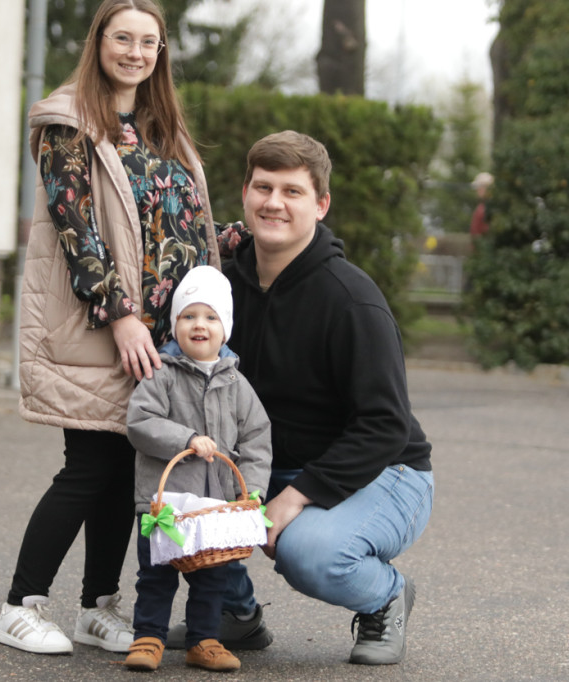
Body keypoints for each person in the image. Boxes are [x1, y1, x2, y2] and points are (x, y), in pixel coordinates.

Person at [0, 0, 222, 657]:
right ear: (98, 42)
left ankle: (98, 607)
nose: (135, 52)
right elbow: (77, 231)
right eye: (123, 38)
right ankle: (19, 605)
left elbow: (181, 228)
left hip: (160, 338)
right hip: (104, 327)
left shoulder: (160, 129)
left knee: (125, 470)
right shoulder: (69, 123)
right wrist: (121, 315)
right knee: (89, 467)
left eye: (148, 42)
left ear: (160, 53)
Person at [167, 131, 434, 666]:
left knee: (309, 552)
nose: (274, 203)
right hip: (272, 464)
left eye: (292, 191)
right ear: (245, 193)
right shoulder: (220, 292)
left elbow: (383, 425)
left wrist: (296, 497)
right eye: (263, 187)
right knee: (175, 497)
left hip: (386, 472)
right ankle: (233, 612)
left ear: (321, 204)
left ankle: (385, 595)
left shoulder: (351, 300)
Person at [122, 265, 272, 672]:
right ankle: (148, 637)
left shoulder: (237, 384)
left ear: (225, 330)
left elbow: (257, 438)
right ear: (175, 325)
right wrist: (186, 438)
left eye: (210, 317)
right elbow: (140, 422)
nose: (199, 325)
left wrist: (251, 489)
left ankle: (204, 640)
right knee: (156, 575)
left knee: (212, 579)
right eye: (188, 316)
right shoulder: (162, 374)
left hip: (214, 507)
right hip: (164, 503)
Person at [469, 171, 493, 239]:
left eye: (479, 187)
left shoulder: (482, 209)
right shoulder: (481, 207)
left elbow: (475, 234)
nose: (477, 190)